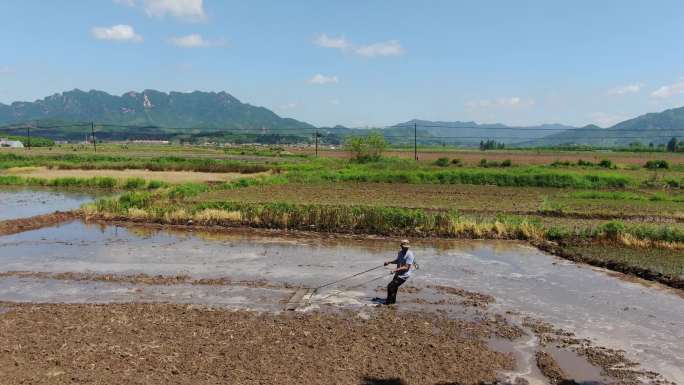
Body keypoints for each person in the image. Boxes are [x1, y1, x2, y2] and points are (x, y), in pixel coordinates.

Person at [383, 239, 415, 305]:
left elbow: (406, 267)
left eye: (406, 247)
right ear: (401, 246)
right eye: (404, 247)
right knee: (394, 287)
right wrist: (389, 262)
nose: (405, 248)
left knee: (390, 286)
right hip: (398, 273)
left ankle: (388, 302)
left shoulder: (410, 255)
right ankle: (392, 302)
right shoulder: (400, 252)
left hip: (404, 275)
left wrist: (395, 270)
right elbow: (398, 260)